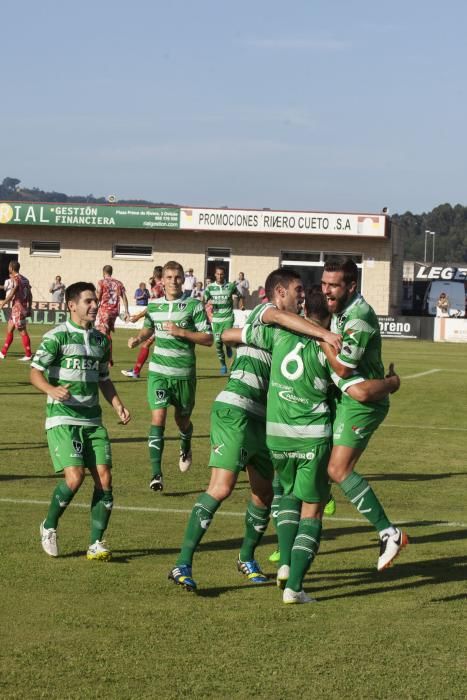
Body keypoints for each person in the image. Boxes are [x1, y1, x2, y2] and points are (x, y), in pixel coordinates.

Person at [168, 268, 343, 593]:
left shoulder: (282, 333)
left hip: (264, 421)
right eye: (297, 290)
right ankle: (182, 562)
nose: (301, 296)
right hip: (235, 409)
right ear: (279, 293)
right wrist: (323, 334)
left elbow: (229, 335)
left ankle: (246, 557)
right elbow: (240, 330)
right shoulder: (267, 313)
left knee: (264, 494)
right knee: (221, 488)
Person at [238, 286, 401, 603]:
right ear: (330, 318)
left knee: (286, 494)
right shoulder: (327, 351)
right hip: (310, 438)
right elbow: (360, 392)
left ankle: (284, 564)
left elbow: (234, 334)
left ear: (302, 311)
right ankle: (294, 587)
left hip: (277, 435)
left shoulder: (278, 337)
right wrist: (392, 383)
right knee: (311, 510)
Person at [30, 282, 130, 560]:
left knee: (105, 479)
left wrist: (118, 404)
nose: (94, 305)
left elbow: (103, 379)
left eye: (94, 301)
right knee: (75, 478)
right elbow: (35, 373)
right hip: (63, 418)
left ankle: (96, 543)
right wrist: (50, 389)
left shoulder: (100, 340)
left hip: (93, 419)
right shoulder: (56, 337)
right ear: (71, 305)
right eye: (88, 301)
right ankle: (49, 525)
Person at [321, 258, 409, 571]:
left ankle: (390, 532)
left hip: (363, 402)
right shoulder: (342, 311)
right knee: (320, 463)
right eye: (324, 284)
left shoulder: (359, 316)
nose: (327, 291)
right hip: (347, 396)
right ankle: (308, 529)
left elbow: (344, 367)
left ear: (351, 287)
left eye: (334, 285)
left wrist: (322, 338)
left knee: (339, 469)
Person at [128, 261, 212, 491]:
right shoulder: (154, 307)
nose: (173, 281)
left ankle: (186, 443)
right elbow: (148, 328)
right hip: (159, 372)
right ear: (161, 280)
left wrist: (181, 332)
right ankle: (156, 474)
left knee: (182, 421)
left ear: (183, 279)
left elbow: (208, 338)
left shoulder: (194, 305)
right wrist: (139, 338)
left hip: (184, 374)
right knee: (158, 419)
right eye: (169, 277)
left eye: (177, 277)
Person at [204, 266, 238, 375]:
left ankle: (228, 345)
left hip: (228, 317)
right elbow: (203, 299)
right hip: (216, 319)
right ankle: (223, 365)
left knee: (226, 338)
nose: (219, 276)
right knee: (218, 343)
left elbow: (240, 295)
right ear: (215, 275)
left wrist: (241, 304)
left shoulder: (231, 286)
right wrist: (204, 303)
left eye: (221, 274)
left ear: (224, 275)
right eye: (217, 274)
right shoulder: (210, 288)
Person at [95, 265, 129, 365]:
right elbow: (124, 297)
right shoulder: (118, 283)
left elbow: (98, 296)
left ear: (103, 272)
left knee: (101, 334)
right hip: (114, 311)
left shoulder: (101, 282)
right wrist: (127, 311)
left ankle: (105, 358)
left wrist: (94, 307)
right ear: (111, 272)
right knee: (107, 334)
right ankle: (108, 358)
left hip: (104, 311)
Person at [0, 261, 33, 362]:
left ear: (11, 268)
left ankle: (28, 354)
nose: (8, 268)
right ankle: (3, 352)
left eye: (9, 266)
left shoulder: (16, 279)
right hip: (20, 307)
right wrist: (29, 307)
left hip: (18, 309)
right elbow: (30, 294)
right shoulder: (25, 279)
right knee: (9, 329)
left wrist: (3, 303)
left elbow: (11, 294)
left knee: (22, 331)